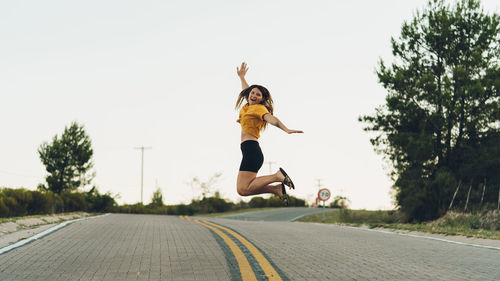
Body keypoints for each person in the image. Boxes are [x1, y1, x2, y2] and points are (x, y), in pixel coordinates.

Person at [235, 62, 304, 205]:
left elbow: (271, 119)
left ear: (262, 99)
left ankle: (277, 177)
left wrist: (286, 129)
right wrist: (242, 77)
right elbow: (247, 90)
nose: (254, 95)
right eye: (253, 93)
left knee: (243, 189)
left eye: (258, 94)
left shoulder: (259, 109)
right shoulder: (247, 106)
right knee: (242, 190)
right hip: (249, 150)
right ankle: (277, 189)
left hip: (252, 151)